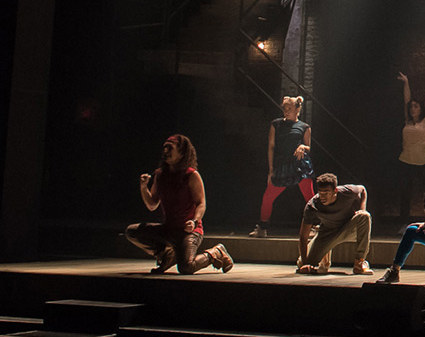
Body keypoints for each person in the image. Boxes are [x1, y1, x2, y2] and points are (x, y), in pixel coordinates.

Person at [126, 134, 234, 275]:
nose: (165, 151)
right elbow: (152, 205)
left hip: (189, 232)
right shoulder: (160, 175)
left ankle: (215, 253)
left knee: (186, 267)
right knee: (132, 231)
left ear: (182, 152)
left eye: (170, 148)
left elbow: (201, 203)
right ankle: (168, 254)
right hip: (169, 229)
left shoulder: (191, 175)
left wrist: (194, 221)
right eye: (164, 147)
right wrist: (143, 187)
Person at [250, 96, 314, 237]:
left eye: (290, 108)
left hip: (299, 165)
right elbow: (271, 146)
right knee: (268, 197)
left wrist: (303, 147)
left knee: (309, 197)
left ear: (297, 109)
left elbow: (309, 147)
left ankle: (315, 226)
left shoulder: (304, 127)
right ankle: (262, 227)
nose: (286, 111)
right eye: (285, 109)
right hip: (282, 165)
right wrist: (271, 169)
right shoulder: (276, 124)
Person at [297, 173, 372, 275]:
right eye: (320, 193)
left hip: (348, 228)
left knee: (364, 216)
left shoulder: (347, 191)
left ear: (335, 191)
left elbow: (362, 189)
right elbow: (303, 236)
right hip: (328, 233)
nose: (322, 197)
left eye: (326, 193)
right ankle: (323, 259)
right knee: (302, 264)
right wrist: (305, 264)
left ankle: (360, 262)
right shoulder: (312, 205)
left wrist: (362, 209)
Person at [396, 72, 425, 222]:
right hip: (405, 162)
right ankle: (403, 223)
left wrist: (423, 93)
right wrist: (406, 82)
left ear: (421, 108)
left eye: (416, 106)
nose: (412, 109)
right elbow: (406, 100)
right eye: (411, 107)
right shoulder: (408, 121)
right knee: (405, 194)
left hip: (423, 162)